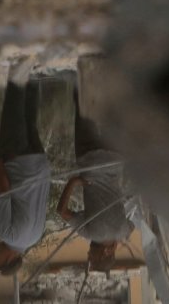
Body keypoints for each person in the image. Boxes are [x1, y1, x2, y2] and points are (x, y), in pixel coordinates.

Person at [58, 88, 133, 272]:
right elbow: (62, 211)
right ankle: (81, 73)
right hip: (89, 160)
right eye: (92, 258)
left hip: (116, 158)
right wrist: (73, 182)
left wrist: (116, 241)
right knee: (84, 106)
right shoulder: (90, 233)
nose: (88, 255)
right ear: (104, 255)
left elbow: (130, 226)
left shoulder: (124, 232)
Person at [0, 81, 51, 274]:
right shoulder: (6, 234)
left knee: (28, 114)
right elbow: (3, 192)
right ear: (9, 259)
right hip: (18, 163)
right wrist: (1, 160)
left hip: (40, 163)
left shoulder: (35, 238)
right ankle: (20, 62)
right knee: (14, 105)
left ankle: (36, 71)